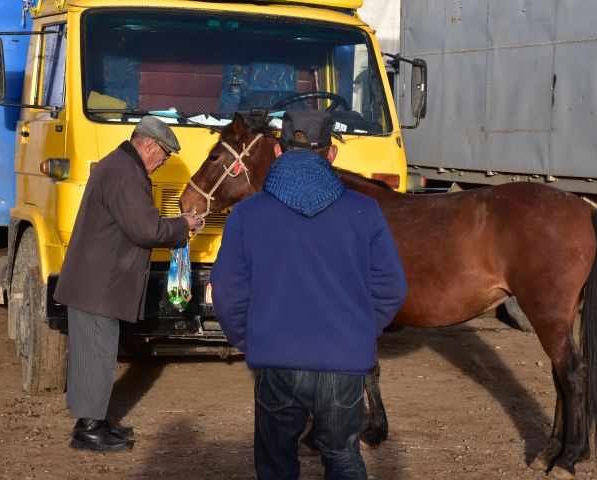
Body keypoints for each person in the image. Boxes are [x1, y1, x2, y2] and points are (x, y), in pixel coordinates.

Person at [210, 109, 407, 479]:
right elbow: (391, 288)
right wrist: (359, 331)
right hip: (344, 359)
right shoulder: (364, 211)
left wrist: (250, 340)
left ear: (279, 152)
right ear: (331, 153)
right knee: (343, 457)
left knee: (275, 465)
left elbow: (227, 291)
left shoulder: (246, 215)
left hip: (276, 357)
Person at [54, 116, 199, 452]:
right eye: (163, 155)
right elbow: (145, 230)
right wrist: (184, 224)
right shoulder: (125, 174)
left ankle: (95, 422)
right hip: (98, 284)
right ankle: (88, 430)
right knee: (96, 353)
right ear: (147, 145)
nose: (163, 163)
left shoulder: (117, 165)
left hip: (95, 280)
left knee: (95, 353)